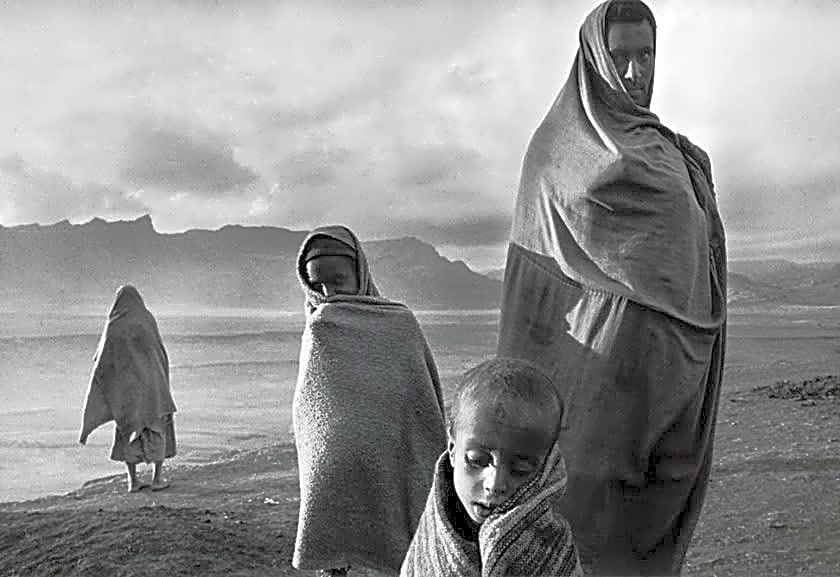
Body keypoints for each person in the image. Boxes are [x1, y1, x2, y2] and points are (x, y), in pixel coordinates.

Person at [496, 0, 727, 574]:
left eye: (644, 55)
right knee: (578, 541)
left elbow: (701, 262)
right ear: (594, 59)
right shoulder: (553, 156)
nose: (633, 72)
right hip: (588, 400)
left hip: (671, 386)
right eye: (618, 57)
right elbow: (534, 297)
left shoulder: (679, 157)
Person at [292, 225, 447, 577]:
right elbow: (311, 402)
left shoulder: (399, 322)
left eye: (338, 280)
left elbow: (418, 394)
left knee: (398, 537)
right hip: (333, 460)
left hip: (389, 449)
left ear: (359, 271)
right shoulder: (318, 325)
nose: (329, 292)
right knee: (333, 541)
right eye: (318, 285)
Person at [400, 358, 582, 577]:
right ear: (452, 450)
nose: (494, 484)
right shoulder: (436, 531)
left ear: (544, 471)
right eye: (477, 460)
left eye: (520, 469)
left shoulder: (550, 547)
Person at [80, 285, 177, 493]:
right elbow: (159, 353)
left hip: (126, 392)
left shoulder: (113, 325)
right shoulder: (146, 320)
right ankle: (157, 478)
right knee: (156, 430)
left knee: (128, 431)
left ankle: (133, 481)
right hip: (152, 389)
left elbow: (101, 361)